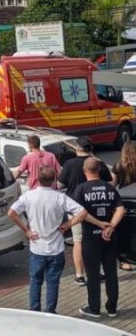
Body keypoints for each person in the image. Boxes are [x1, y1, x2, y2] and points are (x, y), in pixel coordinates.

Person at [8, 166, 86, 314]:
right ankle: (50, 311)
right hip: (56, 248)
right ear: (53, 180)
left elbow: (11, 213)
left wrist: (27, 231)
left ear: (38, 179)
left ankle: (34, 310)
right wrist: (68, 224)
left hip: (37, 247)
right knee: (53, 282)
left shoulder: (28, 196)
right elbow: (82, 212)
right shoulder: (59, 197)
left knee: (35, 281)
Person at [75, 157, 126, 319]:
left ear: (85, 171)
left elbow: (79, 213)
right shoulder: (109, 188)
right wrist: (111, 226)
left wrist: (99, 224)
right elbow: (121, 210)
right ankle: (112, 308)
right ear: (99, 170)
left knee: (93, 274)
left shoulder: (81, 189)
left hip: (91, 237)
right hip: (109, 237)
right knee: (111, 272)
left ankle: (94, 308)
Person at [57, 136, 112, 285]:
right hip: (97, 208)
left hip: (76, 210)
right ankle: (97, 273)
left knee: (78, 242)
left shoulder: (69, 164)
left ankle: (79, 275)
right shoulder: (98, 163)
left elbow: (60, 184)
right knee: (97, 240)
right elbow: (111, 182)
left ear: (77, 148)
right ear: (91, 149)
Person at [111, 141, 136, 270]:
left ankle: (125, 258)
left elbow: (113, 185)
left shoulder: (118, 166)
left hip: (124, 202)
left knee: (125, 230)